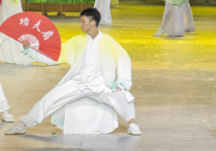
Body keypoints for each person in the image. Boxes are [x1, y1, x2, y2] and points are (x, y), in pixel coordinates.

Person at [5, 8, 141, 136]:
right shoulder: (78, 41)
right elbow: (56, 53)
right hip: (78, 83)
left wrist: (122, 82)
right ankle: (22, 125)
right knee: (49, 99)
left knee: (124, 97)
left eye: (83, 21)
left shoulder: (108, 41)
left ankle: (132, 125)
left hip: (100, 84)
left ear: (93, 23)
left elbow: (124, 58)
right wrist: (31, 50)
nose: (81, 24)